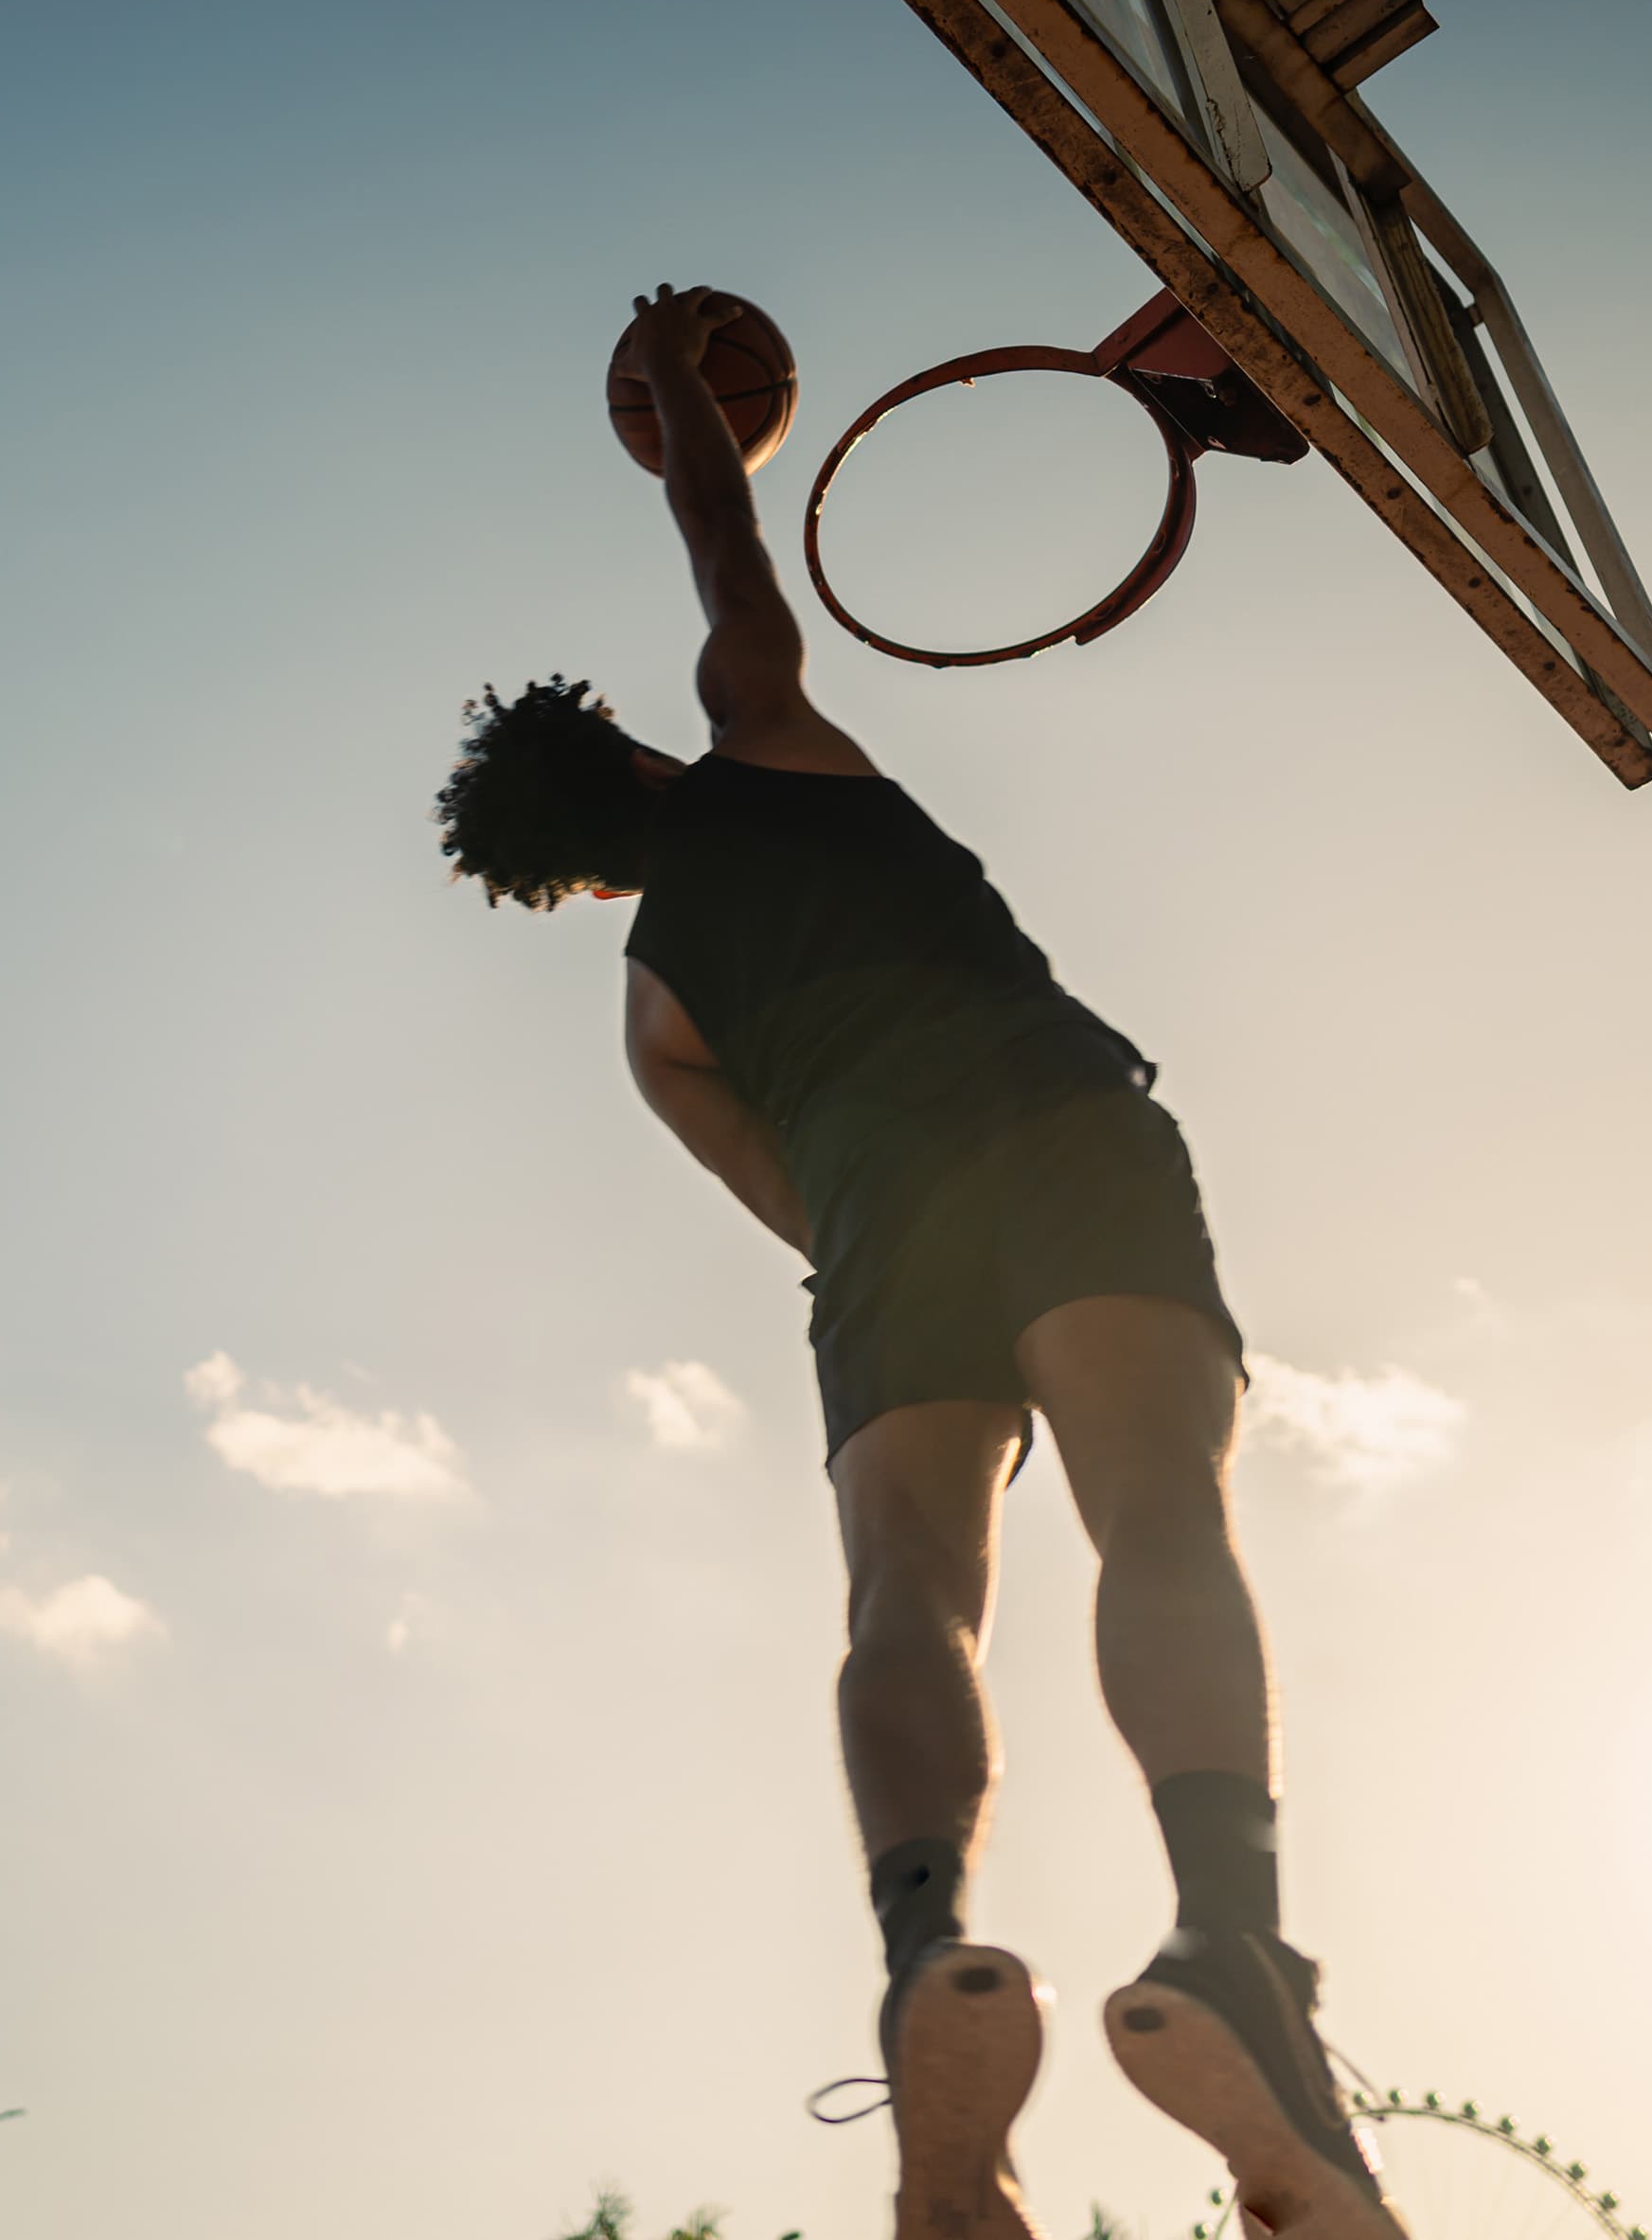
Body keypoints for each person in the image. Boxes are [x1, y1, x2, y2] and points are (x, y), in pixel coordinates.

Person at [435, 286, 1403, 2240]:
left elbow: (789, 1201)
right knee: (1157, 1513)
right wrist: (685, 406)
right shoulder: (767, 735)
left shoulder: (654, 1020)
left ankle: (923, 1949)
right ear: (620, 738)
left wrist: (897, 1241)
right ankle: (1228, 1935)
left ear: (577, 879)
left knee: (910, 1589)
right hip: (1048, 1119)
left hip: (881, 1214)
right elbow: (725, 545)